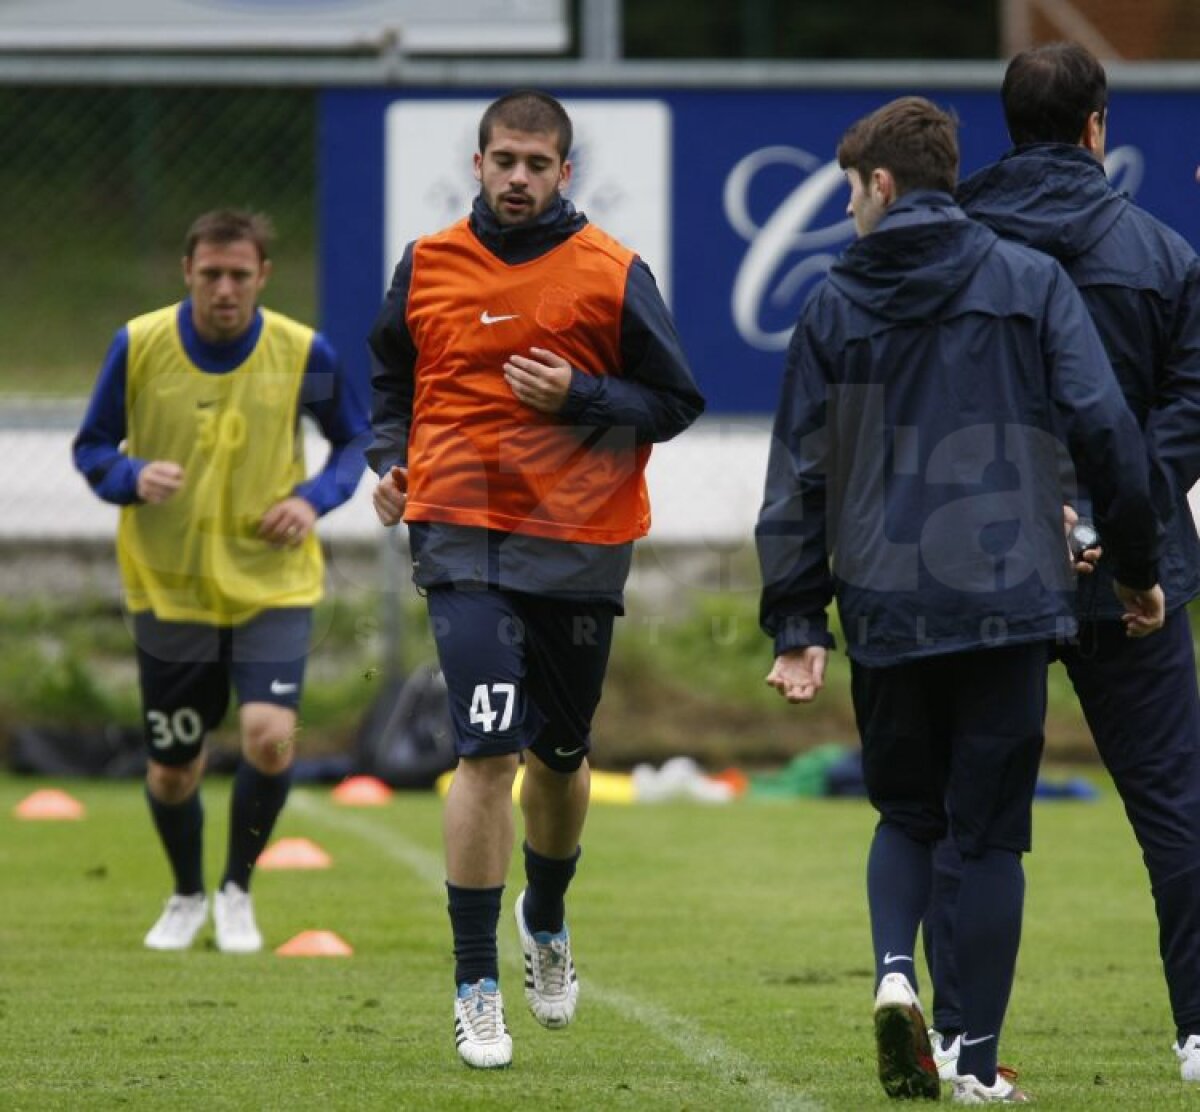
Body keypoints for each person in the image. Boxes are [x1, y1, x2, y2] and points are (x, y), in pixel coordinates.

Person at [755, 96, 1165, 1104]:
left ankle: (896, 969)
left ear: (882, 186)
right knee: (988, 832)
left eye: (850, 191)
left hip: (887, 594)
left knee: (904, 811)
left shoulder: (832, 304)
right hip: (1012, 593)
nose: (847, 210)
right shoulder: (1028, 281)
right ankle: (973, 1057)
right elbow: (1106, 427)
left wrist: (798, 619)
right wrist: (1134, 563)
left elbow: (802, 471)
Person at [366, 89, 703, 1069]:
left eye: (536, 163)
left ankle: (545, 912)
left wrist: (583, 393)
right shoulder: (426, 264)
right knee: (486, 747)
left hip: (578, 542)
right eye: (503, 159)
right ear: (478, 165)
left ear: (565, 172)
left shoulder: (611, 272)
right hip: (461, 533)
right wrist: (391, 455)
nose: (518, 176)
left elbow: (677, 398)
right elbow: (395, 373)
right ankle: (476, 984)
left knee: (559, 754)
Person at [922, 40, 1200, 1086]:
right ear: (1097, 126)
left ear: (1009, 125)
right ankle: (1199, 1028)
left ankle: (957, 1030)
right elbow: (1193, 401)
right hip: (1137, 567)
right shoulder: (1162, 252)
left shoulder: (953, 245)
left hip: (983, 557)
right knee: (1176, 803)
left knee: (974, 808)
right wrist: (1117, 503)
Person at [73, 209, 369, 954]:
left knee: (269, 741)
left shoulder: (303, 350)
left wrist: (312, 499)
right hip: (169, 588)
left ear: (263, 276)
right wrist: (132, 475)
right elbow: (92, 448)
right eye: (212, 274)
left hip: (272, 583)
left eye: (241, 274)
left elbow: (354, 440)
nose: (226, 289)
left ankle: (237, 890)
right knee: (174, 770)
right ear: (187, 273)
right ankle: (185, 894)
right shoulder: (137, 344)